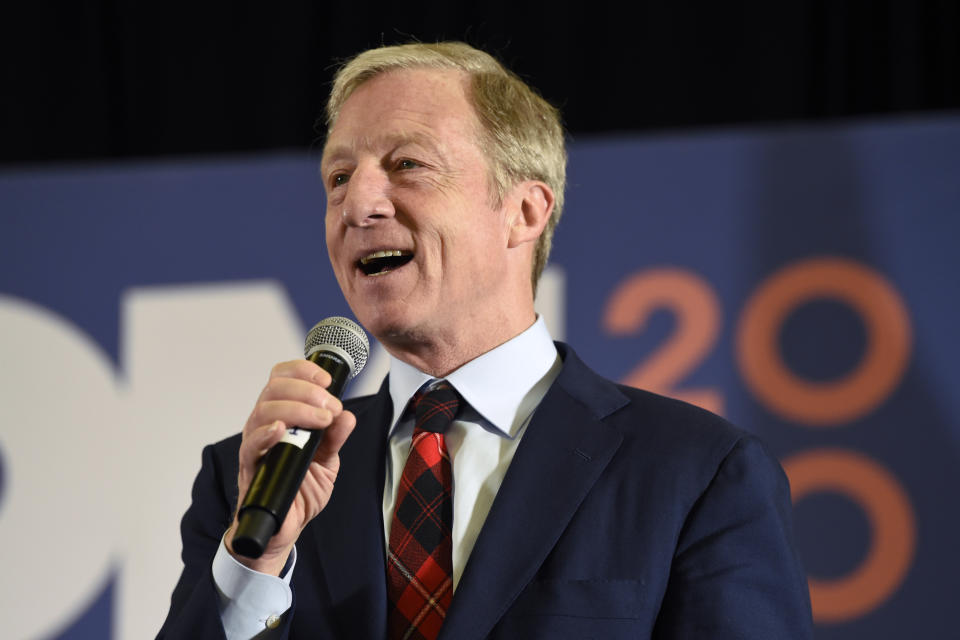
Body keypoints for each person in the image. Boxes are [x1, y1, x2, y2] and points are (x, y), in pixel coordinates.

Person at [158, 41, 812, 639]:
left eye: (407, 164)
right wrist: (258, 563)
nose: (358, 205)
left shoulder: (696, 474)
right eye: (337, 177)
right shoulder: (251, 486)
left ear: (525, 211)